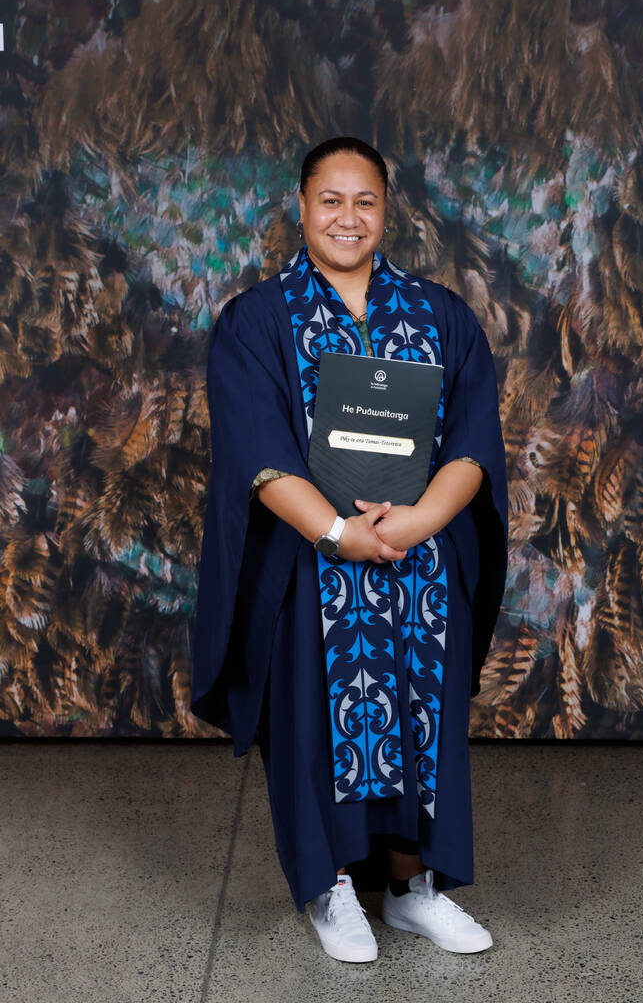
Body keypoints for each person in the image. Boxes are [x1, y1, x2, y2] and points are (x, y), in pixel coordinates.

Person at [190, 136, 508, 964]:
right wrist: (338, 533)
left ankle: (411, 889)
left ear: (385, 210)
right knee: (312, 725)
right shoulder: (259, 319)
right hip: (312, 563)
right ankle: (330, 889)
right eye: (330, 200)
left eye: (364, 201)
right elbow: (256, 450)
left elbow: (473, 439)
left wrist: (417, 523)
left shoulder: (439, 314)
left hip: (416, 560)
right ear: (300, 207)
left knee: (422, 717)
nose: (347, 217)